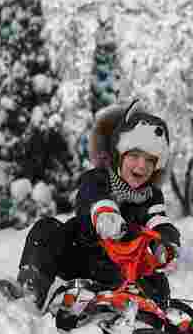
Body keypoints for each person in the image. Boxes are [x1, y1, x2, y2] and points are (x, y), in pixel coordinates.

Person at [12, 99, 180, 312]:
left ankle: (148, 316)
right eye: (135, 156)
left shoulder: (151, 196)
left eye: (150, 160)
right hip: (79, 254)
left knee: (156, 281)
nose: (141, 165)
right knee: (46, 230)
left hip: (118, 270)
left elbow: (158, 221)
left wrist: (165, 244)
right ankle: (30, 290)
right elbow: (92, 197)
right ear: (119, 155)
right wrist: (104, 213)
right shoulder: (97, 179)